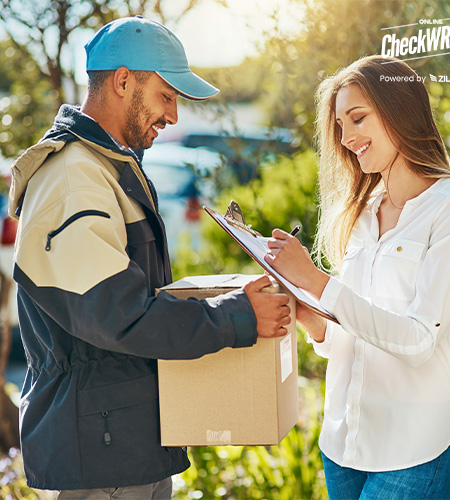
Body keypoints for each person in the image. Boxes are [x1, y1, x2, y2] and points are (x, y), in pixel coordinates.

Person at [8, 16, 291, 500]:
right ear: (122, 81)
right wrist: (237, 318)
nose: (174, 116)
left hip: (123, 440)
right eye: (167, 96)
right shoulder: (74, 179)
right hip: (99, 455)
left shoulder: (105, 169)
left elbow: (133, 299)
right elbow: (118, 314)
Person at [265, 55, 450, 500]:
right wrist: (310, 313)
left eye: (357, 118)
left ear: (399, 109)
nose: (346, 139)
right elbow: (348, 336)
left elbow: (418, 340)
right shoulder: (363, 213)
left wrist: (316, 279)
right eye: (340, 126)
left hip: (416, 446)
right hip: (343, 442)